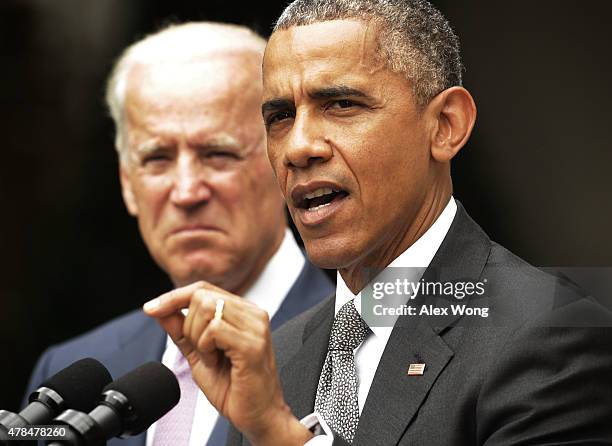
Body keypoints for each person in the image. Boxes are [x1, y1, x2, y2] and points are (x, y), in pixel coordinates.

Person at [144, 2, 612, 445]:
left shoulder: (551, 334)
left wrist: (280, 435)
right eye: (280, 116)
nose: (298, 147)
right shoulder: (279, 356)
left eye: (341, 104)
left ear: (446, 125)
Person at [23, 22, 334, 446]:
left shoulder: (364, 350)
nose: (187, 191)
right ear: (127, 184)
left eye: (218, 154)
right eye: (157, 158)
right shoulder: (68, 369)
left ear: (284, 164)